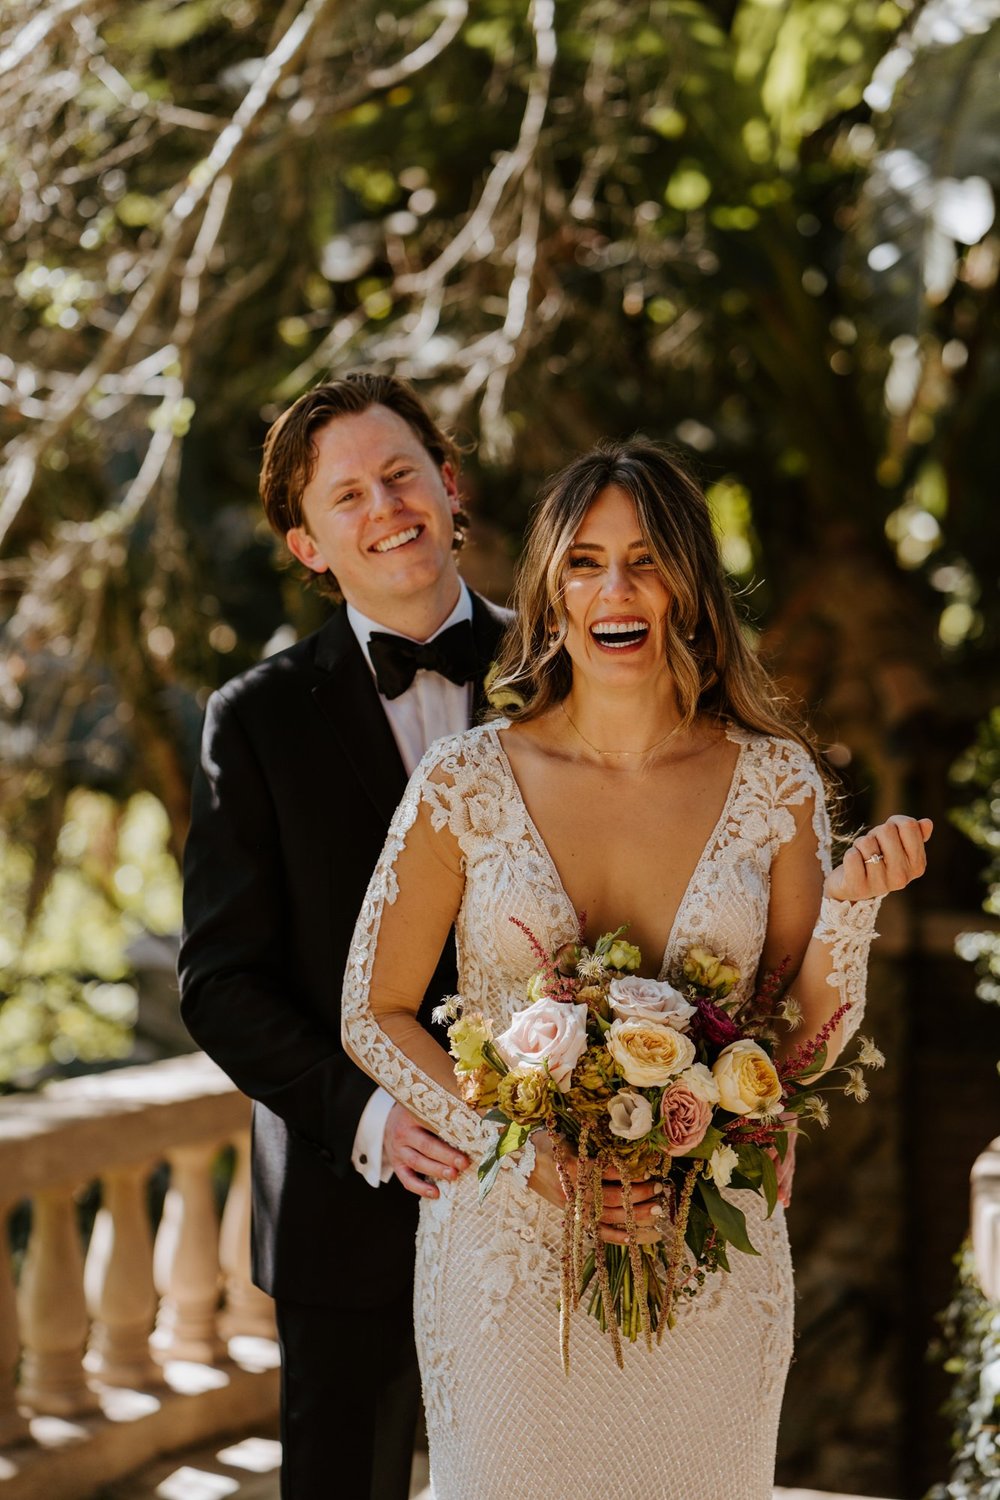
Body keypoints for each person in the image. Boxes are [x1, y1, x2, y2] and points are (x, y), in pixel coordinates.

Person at [341, 438, 931, 1500]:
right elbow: (371, 1011)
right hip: (508, 1263)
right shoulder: (463, 781)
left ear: (689, 590)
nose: (615, 588)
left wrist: (849, 913)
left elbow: (798, 1044)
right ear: (550, 592)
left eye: (647, 559)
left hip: (708, 1247)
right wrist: (517, 1154)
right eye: (584, 561)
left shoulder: (775, 783)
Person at [178, 373, 510, 1500]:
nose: (387, 508)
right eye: (349, 495)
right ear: (308, 544)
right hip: (347, 1198)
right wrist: (367, 1116)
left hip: (554, 1193)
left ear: (449, 483)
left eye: (402, 473)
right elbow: (220, 982)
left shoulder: (568, 676)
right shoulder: (256, 721)